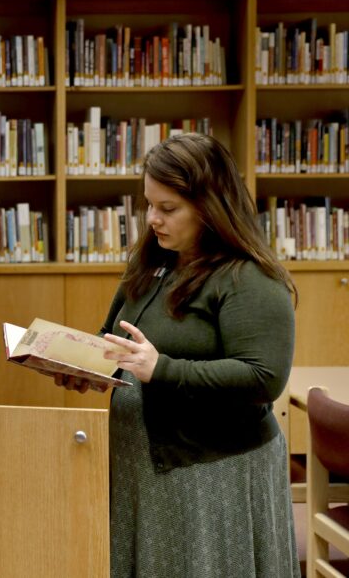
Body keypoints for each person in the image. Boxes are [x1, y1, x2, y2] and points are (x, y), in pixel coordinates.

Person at [57, 133, 300, 577]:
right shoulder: (152, 263)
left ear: (211, 207)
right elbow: (115, 339)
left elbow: (263, 377)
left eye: (168, 209)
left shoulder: (249, 277)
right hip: (142, 469)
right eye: (148, 205)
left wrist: (161, 369)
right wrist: (85, 365)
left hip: (209, 473)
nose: (153, 219)